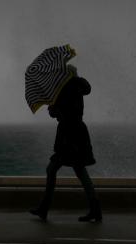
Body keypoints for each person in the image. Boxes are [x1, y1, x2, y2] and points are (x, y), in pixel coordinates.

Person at [30, 64, 102, 222]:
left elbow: (58, 113)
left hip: (68, 136)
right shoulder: (77, 87)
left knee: (53, 169)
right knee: (79, 171)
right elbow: (71, 111)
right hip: (79, 133)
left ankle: (44, 208)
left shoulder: (64, 90)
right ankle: (95, 209)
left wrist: (52, 108)